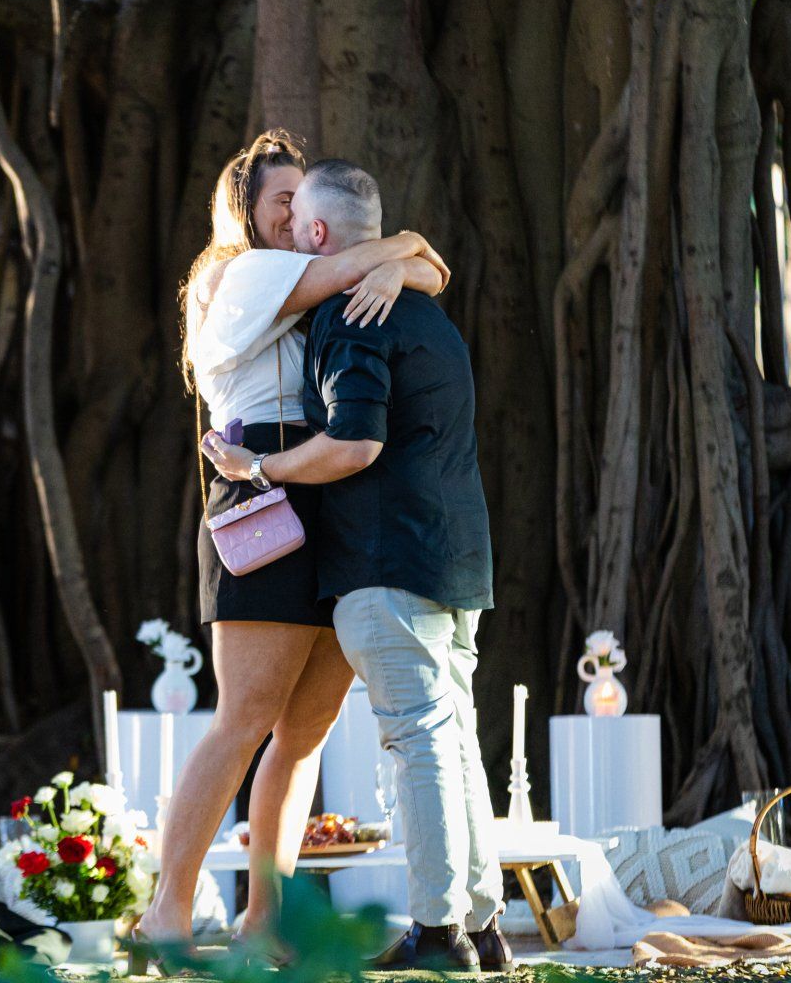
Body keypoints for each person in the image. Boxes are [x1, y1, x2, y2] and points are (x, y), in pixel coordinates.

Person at [136, 133, 450, 951]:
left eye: (301, 202)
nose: (297, 215)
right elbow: (400, 265)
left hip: (329, 491)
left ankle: (265, 921)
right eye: (282, 202)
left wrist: (399, 263)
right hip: (260, 489)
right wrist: (402, 252)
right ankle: (166, 910)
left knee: (304, 732)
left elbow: (433, 278)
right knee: (243, 717)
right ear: (248, 212)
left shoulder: (314, 277)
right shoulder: (238, 272)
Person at [201, 158, 510, 974]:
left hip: (385, 558)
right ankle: (483, 927)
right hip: (458, 556)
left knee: (420, 742)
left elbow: (355, 444)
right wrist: (407, 252)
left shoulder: (350, 314)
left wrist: (259, 472)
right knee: (457, 739)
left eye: (299, 212)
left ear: (317, 233)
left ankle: (439, 932)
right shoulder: (428, 311)